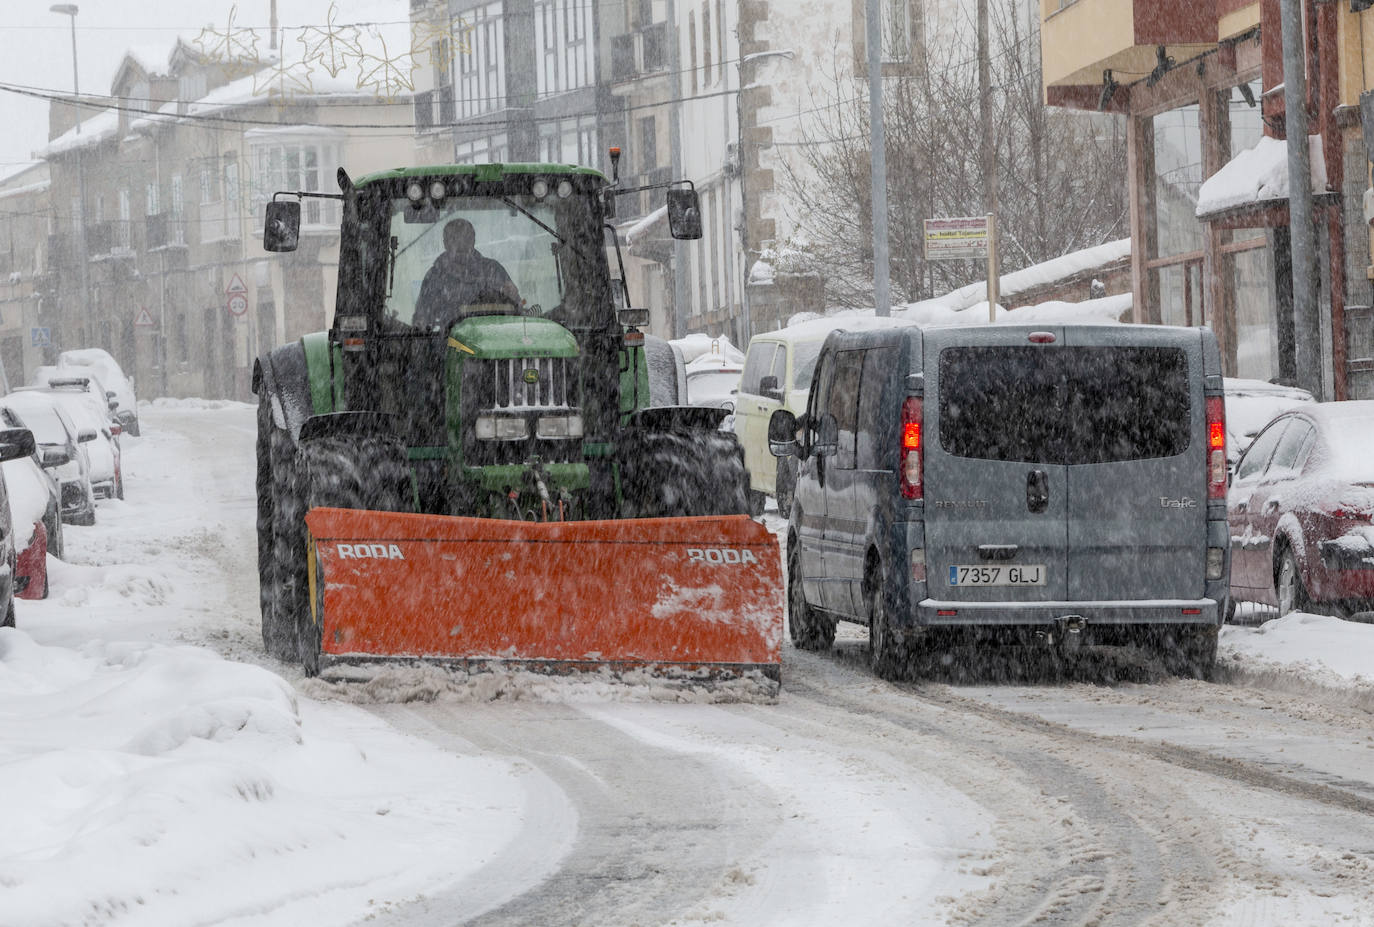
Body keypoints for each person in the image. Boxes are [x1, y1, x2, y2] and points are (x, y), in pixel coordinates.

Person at [413, 218, 521, 330]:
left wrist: (512, 298)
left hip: (492, 338)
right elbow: (422, 320)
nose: (460, 244)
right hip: (446, 343)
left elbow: (516, 311)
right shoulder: (434, 277)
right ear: (445, 243)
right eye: (454, 239)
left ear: (473, 240)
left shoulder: (494, 270)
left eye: (465, 238)